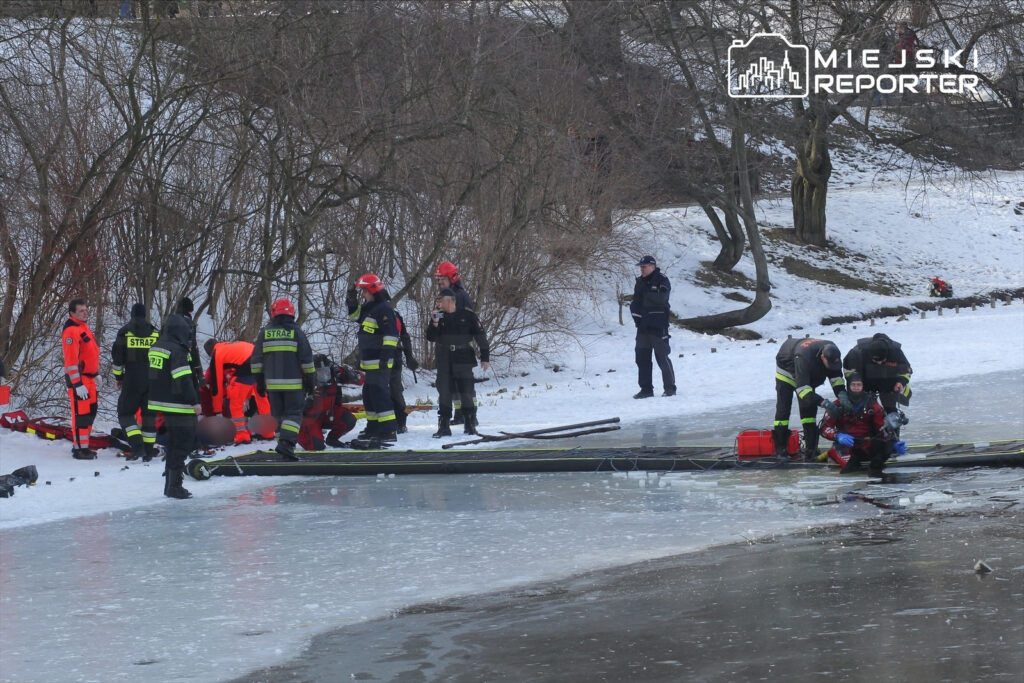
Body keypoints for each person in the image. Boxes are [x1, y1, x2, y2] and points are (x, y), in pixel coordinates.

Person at [251, 298, 316, 460]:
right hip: (293, 384)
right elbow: (307, 359)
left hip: (272, 385)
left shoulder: (265, 332)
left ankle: (282, 446)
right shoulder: (296, 332)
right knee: (293, 414)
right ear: (292, 313)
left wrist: (259, 381)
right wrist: (310, 379)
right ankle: (286, 444)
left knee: (278, 416)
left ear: (274, 313)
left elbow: (256, 360)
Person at [147, 313, 200, 499]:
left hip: (161, 404)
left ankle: (170, 485)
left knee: (173, 445)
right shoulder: (178, 351)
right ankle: (175, 486)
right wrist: (194, 401)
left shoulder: (156, 347)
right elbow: (183, 379)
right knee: (182, 445)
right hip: (179, 405)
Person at [426, 288, 490, 437]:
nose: (438, 304)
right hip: (444, 359)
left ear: (450, 301)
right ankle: (444, 425)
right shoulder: (438, 316)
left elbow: (480, 336)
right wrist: (434, 323)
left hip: (463, 358)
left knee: (466, 392)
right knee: (444, 392)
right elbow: (430, 337)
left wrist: (485, 357)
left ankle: (469, 423)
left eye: (440, 301)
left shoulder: (468, 316)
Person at [346, 273, 400, 447]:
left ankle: (389, 430)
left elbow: (391, 335)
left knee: (380, 395)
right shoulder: (370, 307)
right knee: (369, 395)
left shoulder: (384, 309)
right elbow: (355, 317)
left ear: (373, 291)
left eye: (364, 292)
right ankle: (373, 427)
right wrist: (352, 301)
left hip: (380, 361)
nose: (363, 295)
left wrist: (386, 356)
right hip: (370, 362)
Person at [773, 337, 848, 460]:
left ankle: (811, 449)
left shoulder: (832, 352)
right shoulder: (804, 358)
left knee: (809, 413)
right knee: (783, 410)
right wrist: (825, 403)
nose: (833, 366)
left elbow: (836, 378)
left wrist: (842, 395)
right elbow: (804, 392)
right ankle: (781, 449)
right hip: (787, 371)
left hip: (808, 376)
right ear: (823, 357)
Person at [821, 372, 907, 474]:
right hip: (845, 445)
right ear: (848, 386)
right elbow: (824, 428)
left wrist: (893, 443)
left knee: (885, 448)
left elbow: (881, 428)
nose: (856, 388)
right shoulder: (837, 405)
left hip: (865, 444)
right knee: (851, 467)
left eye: (859, 385)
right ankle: (836, 455)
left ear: (863, 386)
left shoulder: (872, 404)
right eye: (853, 385)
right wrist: (837, 435)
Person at [111, 303, 159, 461]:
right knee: (149, 416)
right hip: (153, 381)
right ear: (145, 315)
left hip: (132, 380)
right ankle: (148, 451)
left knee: (125, 414)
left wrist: (119, 377)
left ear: (132, 315)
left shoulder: (125, 332)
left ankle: (138, 447)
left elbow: (118, 359)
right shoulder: (155, 332)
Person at [204, 338, 272, 444]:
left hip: (246, 368)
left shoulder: (217, 354)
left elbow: (216, 385)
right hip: (262, 363)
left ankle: (242, 436)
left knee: (235, 404)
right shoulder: (228, 346)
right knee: (262, 399)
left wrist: (218, 411)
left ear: (210, 354)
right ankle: (268, 433)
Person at [434, 261, 475, 425]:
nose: (439, 282)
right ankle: (459, 414)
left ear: (452, 277)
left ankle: (471, 416)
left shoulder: (461, 296)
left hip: (461, 348)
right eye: (438, 279)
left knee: (465, 386)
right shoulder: (445, 295)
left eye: (442, 278)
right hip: (447, 349)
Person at [629, 255, 676, 399]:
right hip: (643, 327)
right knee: (642, 358)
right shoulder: (640, 282)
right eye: (641, 267)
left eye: (644, 266)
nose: (642, 269)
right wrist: (636, 316)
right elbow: (636, 301)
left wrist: (646, 293)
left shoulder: (662, 279)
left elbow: (661, 299)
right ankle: (646, 389)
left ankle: (670, 389)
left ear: (652, 267)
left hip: (658, 325)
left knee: (662, 357)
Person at [62, 299, 101, 460]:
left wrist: (95, 372)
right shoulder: (71, 331)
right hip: (80, 380)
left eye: (86, 310)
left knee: (91, 412)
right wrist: (77, 384)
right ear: (72, 313)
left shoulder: (82, 327)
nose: (85, 313)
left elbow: (89, 353)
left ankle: (83, 446)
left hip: (89, 379)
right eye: (81, 311)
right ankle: (79, 449)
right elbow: (71, 361)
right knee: (81, 415)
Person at [297, 355, 364, 450]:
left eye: (326, 372)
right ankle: (295, 437)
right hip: (308, 420)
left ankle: (332, 439)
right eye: (319, 372)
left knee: (348, 419)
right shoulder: (303, 379)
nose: (324, 375)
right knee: (316, 446)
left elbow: (360, 379)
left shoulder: (334, 374)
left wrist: (351, 374)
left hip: (328, 414)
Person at [842, 333, 912, 417]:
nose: (879, 363)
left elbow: (906, 371)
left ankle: (892, 426)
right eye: (875, 360)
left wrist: (901, 382)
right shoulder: (857, 353)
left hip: (888, 383)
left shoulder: (895, 352)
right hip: (864, 382)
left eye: (883, 361)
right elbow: (848, 370)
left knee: (890, 410)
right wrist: (856, 381)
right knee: (861, 410)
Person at [383, 289, 420, 434]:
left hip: (391, 356)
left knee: (393, 390)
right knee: (390, 390)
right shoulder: (392, 314)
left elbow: (404, 336)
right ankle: (395, 423)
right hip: (389, 356)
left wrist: (409, 356)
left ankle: (400, 422)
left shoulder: (391, 315)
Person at [175, 297, 206, 393]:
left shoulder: (169, 322)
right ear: (190, 310)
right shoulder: (189, 324)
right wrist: (200, 374)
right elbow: (193, 348)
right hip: (186, 364)